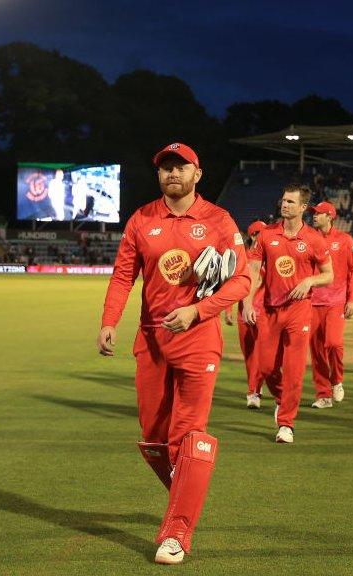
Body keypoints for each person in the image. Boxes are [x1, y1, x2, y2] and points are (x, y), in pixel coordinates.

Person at [97, 142, 251, 564]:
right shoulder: (141, 219)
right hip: (150, 341)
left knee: (186, 434)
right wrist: (110, 321)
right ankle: (190, 489)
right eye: (165, 168)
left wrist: (198, 310)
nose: (172, 174)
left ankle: (177, 533)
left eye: (181, 167)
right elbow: (123, 275)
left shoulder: (218, 221)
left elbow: (240, 282)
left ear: (197, 174)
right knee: (153, 438)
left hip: (198, 339)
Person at [244, 184, 334, 443]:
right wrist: (248, 303)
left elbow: (329, 275)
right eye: (283, 201)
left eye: (291, 202)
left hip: (300, 310)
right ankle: (282, 401)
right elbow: (251, 272)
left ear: (303, 207)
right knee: (265, 366)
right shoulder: (266, 235)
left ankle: (286, 424)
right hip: (270, 310)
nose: (284, 205)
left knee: (294, 369)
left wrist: (309, 282)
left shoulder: (314, 239)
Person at [308, 202, 353, 408]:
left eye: (319, 214)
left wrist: (352, 299)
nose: (314, 217)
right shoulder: (309, 238)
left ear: (330, 217)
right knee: (316, 350)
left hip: (336, 301)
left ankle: (336, 380)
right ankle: (323, 395)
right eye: (314, 214)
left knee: (333, 343)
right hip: (311, 302)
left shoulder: (345, 240)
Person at [224, 221, 268, 408]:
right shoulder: (243, 259)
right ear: (253, 236)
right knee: (249, 354)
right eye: (261, 233)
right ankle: (255, 387)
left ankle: (253, 391)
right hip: (244, 313)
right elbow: (234, 285)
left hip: (265, 314)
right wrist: (228, 309)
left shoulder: (273, 257)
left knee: (262, 354)